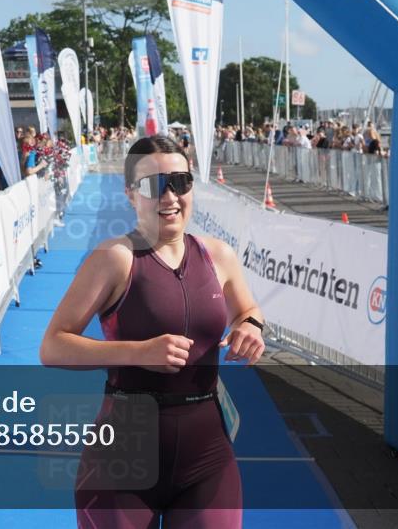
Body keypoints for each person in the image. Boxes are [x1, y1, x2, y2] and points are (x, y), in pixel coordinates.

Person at [41, 135, 264, 528]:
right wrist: (137, 352)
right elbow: (53, 346)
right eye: (154, 185)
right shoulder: (114, 258)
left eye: (180, 182)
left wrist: (251, 327)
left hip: (207, 457)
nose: (170, 197)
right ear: (130, 194)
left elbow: (247, 310)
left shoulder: (218, 255)